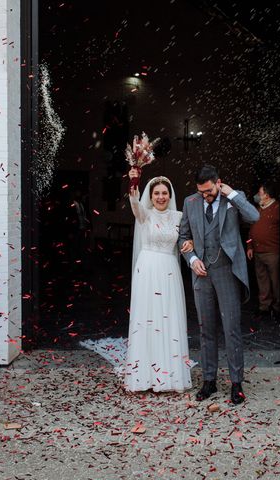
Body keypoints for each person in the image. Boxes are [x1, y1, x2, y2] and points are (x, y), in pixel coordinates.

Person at [178, 165, 259, 404]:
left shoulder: (233, 199)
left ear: (218, 182)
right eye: (201, 191)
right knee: (206, 329)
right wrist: (191, 259)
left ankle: (236, 383)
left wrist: (231, 193)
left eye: (209, 190)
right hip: (201, 274)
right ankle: (209, 380)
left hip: (226, 272)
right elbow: (183, 236)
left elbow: (254, 216)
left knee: (231, 328)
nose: (206, 195)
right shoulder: (190, 202)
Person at [122, 168, 193, 392]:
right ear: (151, 197)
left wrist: (190, 243)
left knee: (168, 317)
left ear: (170, 195)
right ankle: (144, 375)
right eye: (156, 194)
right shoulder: (144, 214)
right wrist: (134, 179)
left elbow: (188, 237)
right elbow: (134, 201)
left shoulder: (179, 217)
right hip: (147, 269)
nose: (161, 197)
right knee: (147, 318)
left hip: (169, 270)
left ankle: (170, 374)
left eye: (164, 193)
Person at [247, 182, 280, 318]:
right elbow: (251, 231)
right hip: (258, 252)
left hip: (272, 252)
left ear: (266, 195)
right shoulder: (257, 209)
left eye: (259, 193)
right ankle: (264, 307)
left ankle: (278, 308)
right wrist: (249, 246)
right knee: (262, 281)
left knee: (276, 281)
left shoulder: (277, 208)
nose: (257, 196)